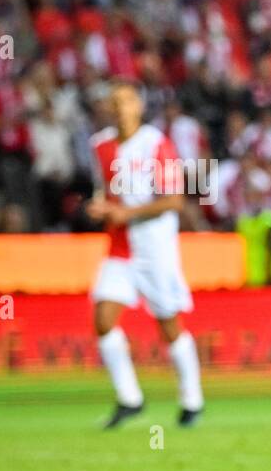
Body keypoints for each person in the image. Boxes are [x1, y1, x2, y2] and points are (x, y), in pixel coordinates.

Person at [86, 81, 204, 429]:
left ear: (138, 105)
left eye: (126, 100)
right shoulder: (101, 146)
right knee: (103, 318)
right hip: (121, 248)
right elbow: (105, 190)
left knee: (169, 326)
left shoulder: (156, 143)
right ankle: (130, 398)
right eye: (114, 101)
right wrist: (101, 207)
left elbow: (174, 200)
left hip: (156, 250)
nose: (120, 107)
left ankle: (192, 401)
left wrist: (127, 213)